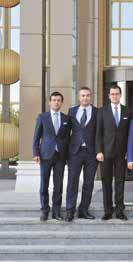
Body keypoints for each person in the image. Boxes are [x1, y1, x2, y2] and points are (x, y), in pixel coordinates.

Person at [32, 91, 70, 221]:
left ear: (61, 102)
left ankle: (56, 211)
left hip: (60, 156)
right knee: (44, 185)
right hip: (45, 155)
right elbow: (36, 137)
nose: (56, 102)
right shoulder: (42, 117)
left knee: (58, 185)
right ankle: (44, 210)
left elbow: (67, 139)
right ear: (50, 102)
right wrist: (35, 153)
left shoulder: (66, 118)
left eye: (58, 100)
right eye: (54, 100)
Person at [95, 85, 131, 220]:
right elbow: (98, 133)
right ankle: (108, 211)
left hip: (121, 154)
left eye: (117, 94)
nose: (115, 96)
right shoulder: (102, 111)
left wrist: (129, 151)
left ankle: (120, 210)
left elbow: (129, 134)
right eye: (112, 94)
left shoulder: (127, 111)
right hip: (105, 153)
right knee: (106, 182)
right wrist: (98, 151)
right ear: (109, 96)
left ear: (120, 95)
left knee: (120, 182)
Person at [65, 87, 98, 222]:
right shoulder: (72, 111)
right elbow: (67, 133)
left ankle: (84, 209)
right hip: (75, 152)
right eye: (83, 95)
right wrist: (66, 152)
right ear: (79, 97)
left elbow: (99, 133)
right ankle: (70, 210)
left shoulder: (97, 112)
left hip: (91, 153)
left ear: (91, 97)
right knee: (72, 182)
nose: (85, 98)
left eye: (88, 95)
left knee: (88, 183)